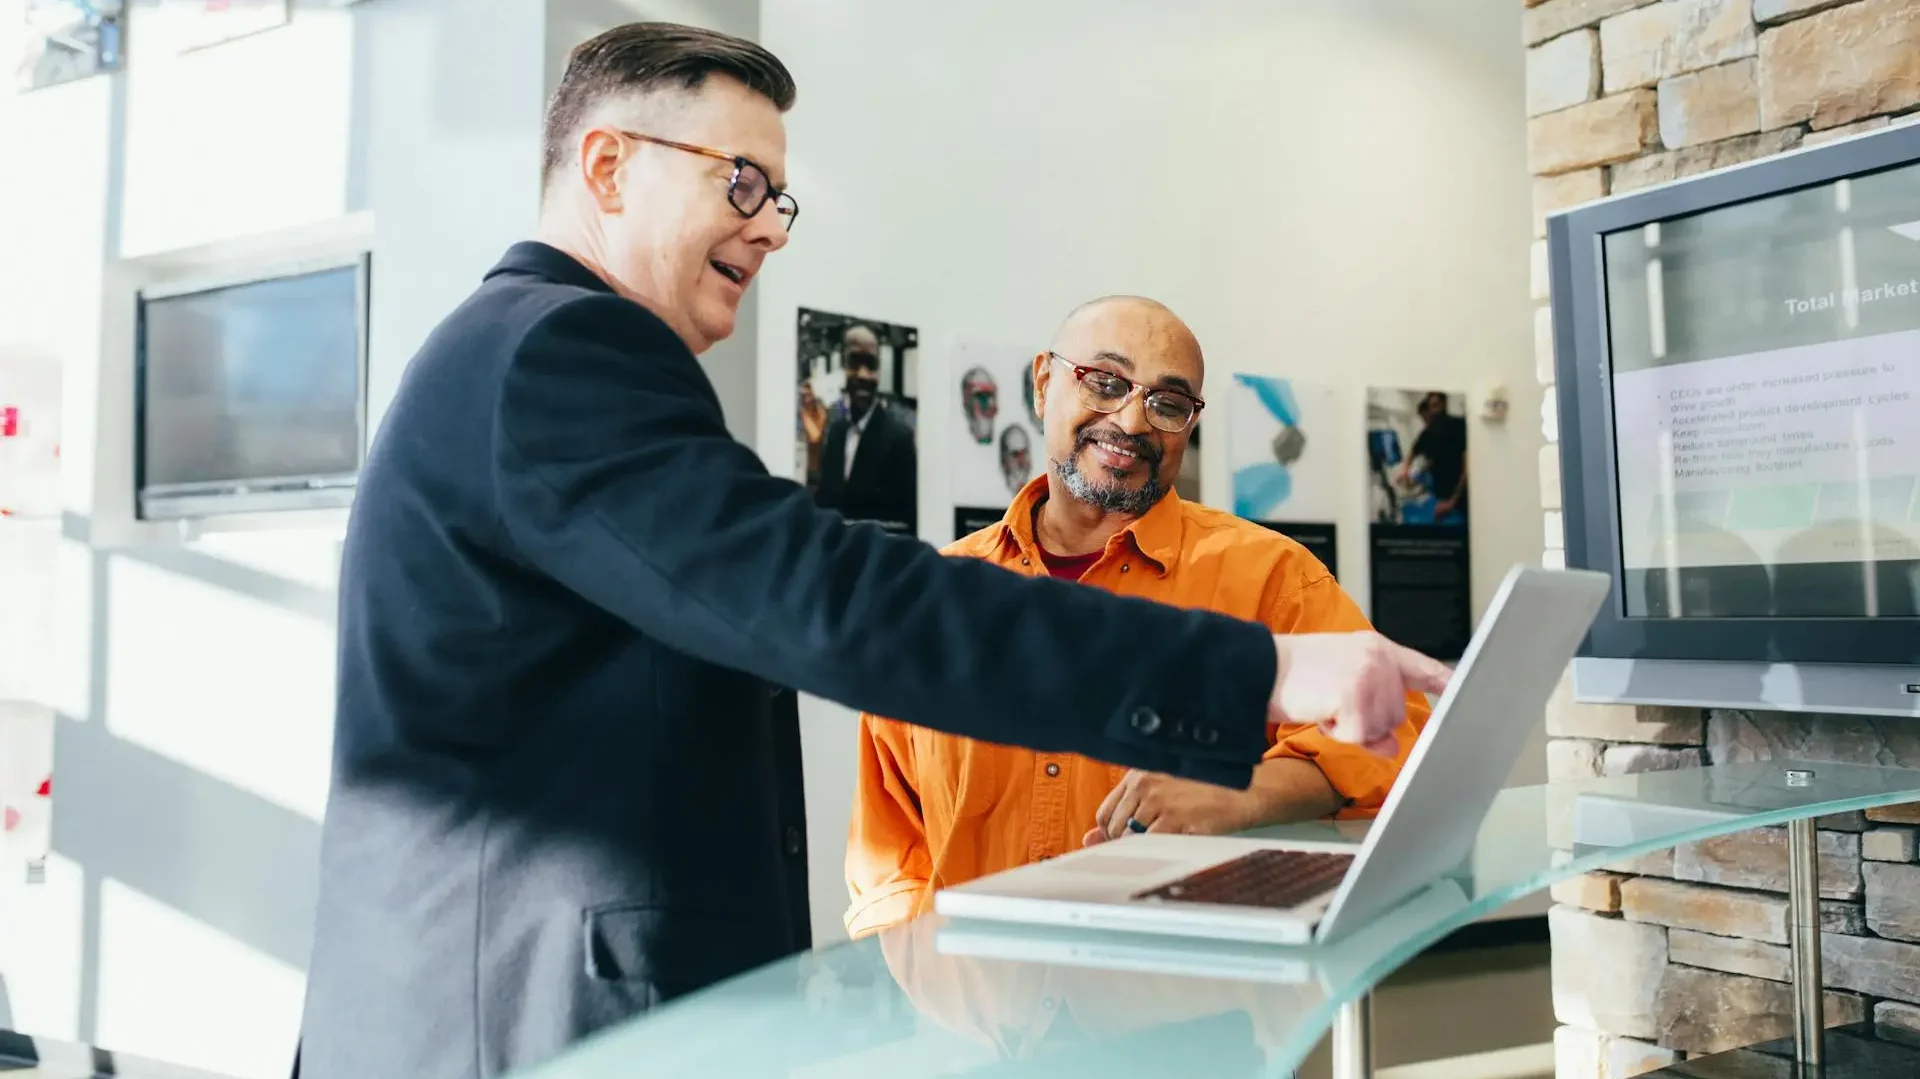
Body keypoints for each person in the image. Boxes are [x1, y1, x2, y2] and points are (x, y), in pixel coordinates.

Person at [296, 22, 1449, 1079]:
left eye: (780, 198)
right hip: (525, 1023)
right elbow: (830, 602)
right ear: (607, 167)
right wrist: (1261, 670)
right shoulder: (559, 353)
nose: (765, 224)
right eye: (739, 181)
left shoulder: (523, 353)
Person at [843, 297, 1431, 938]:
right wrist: (921, 987)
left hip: (1182, 1005)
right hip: (978, 1014)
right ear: (1044, 384)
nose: (1131, 420)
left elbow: (1399, 732)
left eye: (1168, 403)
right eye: (1105, 382)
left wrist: (1242, 793)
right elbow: (890, 845)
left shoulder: (1271, 577)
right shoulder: (941, 597)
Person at [814, 325, 917, 533]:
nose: (862, 374)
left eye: (870, 365)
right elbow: (824, 504)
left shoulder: (898, 438)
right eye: (854, 362)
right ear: (843, 367)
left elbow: (909, 523)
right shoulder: (835, 433)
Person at [1401, 391, 1467, 525]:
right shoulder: (1429, 432)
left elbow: (1468, 469)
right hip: (1441, 498)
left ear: (1444, 405)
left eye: (1437, 405)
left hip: (1459, 500)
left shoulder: (1459, 426)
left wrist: (1452, 502)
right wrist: (1405, 471)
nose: (1434, 412)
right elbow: (1414, 451)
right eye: (1432, 407)